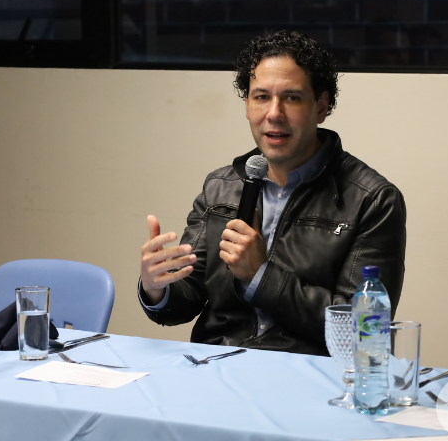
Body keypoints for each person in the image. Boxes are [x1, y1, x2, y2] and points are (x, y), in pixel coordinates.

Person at [138, 31, 406, 356]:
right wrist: (156, 286)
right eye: (262, 97)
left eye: (291, 98)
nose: (274, 113)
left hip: (310, 375)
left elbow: (364, 332)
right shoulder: (220, 186)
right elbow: (185, 300)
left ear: (321, 106)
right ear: (247, 106)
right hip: (219, 365)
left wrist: (260, 276)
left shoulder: (373, 200)